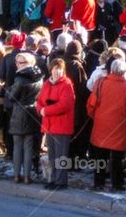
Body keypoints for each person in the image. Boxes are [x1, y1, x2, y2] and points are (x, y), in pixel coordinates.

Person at [88, 58, 126, 191]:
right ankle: (118, 184)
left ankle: (99, 183)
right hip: (120, 127)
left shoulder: (100, 83)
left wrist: (95, 116)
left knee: (100, 157)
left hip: (101, 124)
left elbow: (91, 104)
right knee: (117, 158)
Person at [37, 58, 75, 189]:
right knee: (52, 155)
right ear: (51, 70)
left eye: (60, 69)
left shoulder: (67, 84)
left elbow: (65, 105)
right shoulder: (47, 83)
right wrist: (41, 109)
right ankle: (53, 179)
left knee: (61, 156)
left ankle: (61, 181)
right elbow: (40, 100)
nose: (57, 71)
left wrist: (46, 110)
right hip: (49, 125)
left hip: (61, 125)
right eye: (55, 68)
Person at [7, 52, 43, 184]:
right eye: (17, 62)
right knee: (28, 147)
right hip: (33, 112)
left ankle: (17, 175)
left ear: (28, 63)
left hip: (19, 112)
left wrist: (8, 89)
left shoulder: (20, 78)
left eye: (20, 62)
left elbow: (11, 97)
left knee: (17, 146)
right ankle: (27, 176)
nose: (17, 65)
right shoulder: (39, 77)